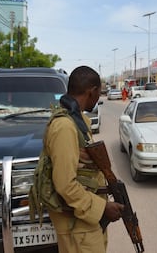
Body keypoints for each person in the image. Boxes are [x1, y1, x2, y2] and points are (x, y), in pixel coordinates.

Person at [45, 65, 124, 253]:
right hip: (76, 227)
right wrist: (103, 208)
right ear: (92, 91)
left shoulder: (77, 120)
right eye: (99, 93)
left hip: (84, 223)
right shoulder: (65, 126)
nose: (98, 98)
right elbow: (65, 184)